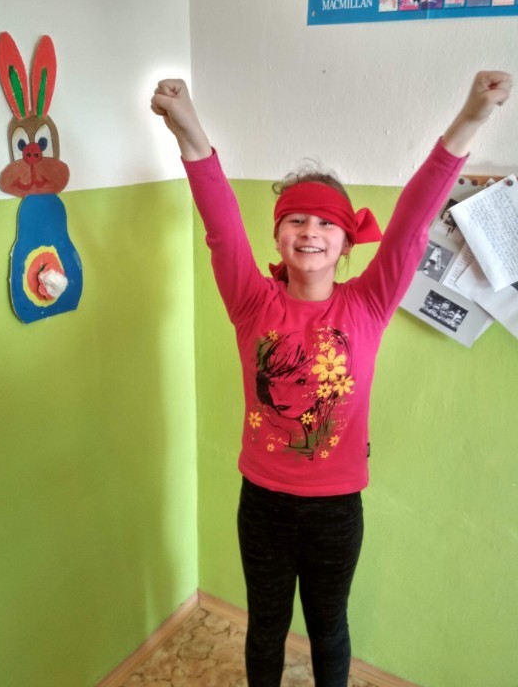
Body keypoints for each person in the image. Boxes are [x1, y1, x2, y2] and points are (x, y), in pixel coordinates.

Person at [150, 71, 512, 687]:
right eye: (296, 221)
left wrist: (471, 118)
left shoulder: (368, 303)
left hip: (336, 509)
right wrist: (190, 131)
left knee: (328, 627)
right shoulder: (252, 302)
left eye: (325, 224)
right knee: (266, 625)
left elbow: (412, 225)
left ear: (346, 243)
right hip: (262, 503)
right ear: (278, 236)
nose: (310, 232)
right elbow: (220, 227)